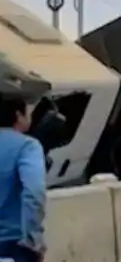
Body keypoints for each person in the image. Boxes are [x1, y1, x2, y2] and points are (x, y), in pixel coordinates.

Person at [0, 94, 47, 262]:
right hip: (13, 245)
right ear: (18, 116)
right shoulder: (27, 146)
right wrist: (34, 240)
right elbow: (34, 192)